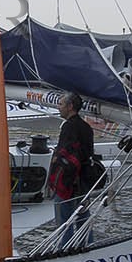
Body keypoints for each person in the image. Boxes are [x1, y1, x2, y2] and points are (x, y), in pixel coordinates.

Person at [50, 94, 95, 247]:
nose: (58, 107)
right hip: (84, 177)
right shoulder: (86, 127)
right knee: (83, 213)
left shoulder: (68, 127)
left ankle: (65, 247)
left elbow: (65, 154)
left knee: (64, 216)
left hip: (68, 180)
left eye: (61, 104)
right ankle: (86, 244)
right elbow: (87, 152)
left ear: (70, 107)